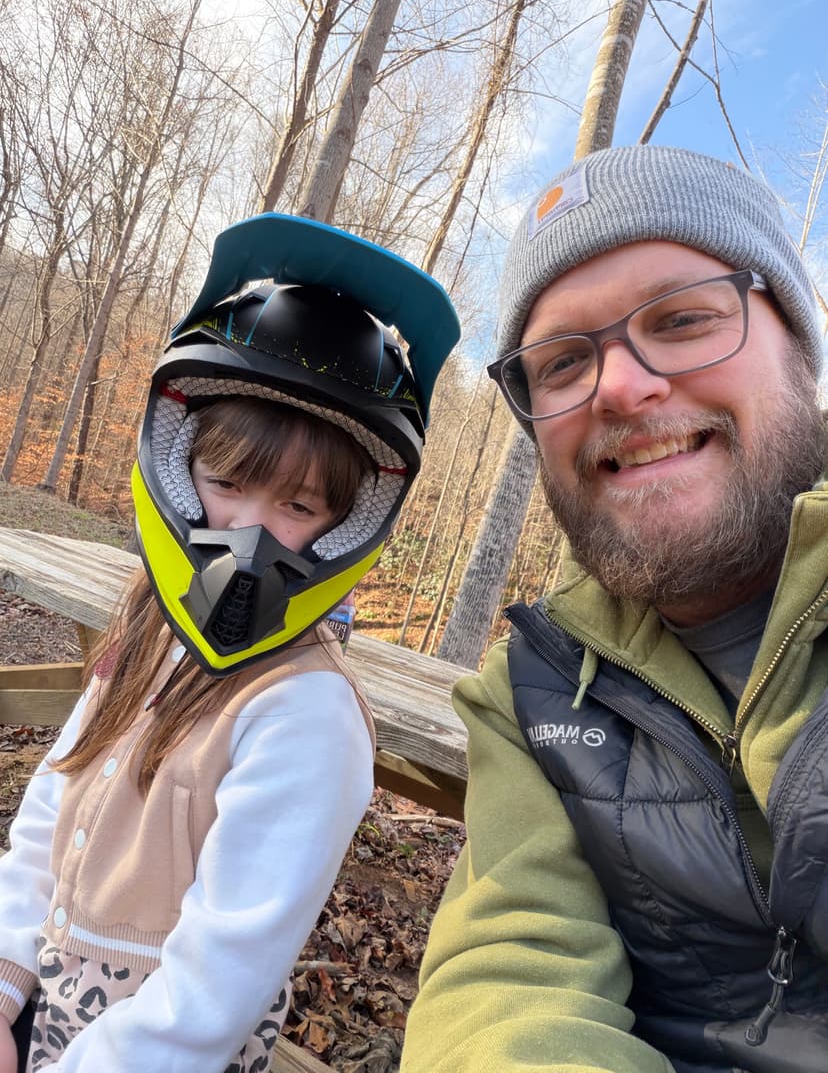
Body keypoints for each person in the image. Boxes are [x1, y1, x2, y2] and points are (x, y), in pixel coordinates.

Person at [400, 146, 828, 1073]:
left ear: (800, 343)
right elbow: (511, 976)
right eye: (561, 363)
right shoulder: (532, 688)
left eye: (682, 319)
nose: (620, 386)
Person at [0, 212, 459, 1073]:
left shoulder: (307, 715)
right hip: (45, 1012)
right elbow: (51, 809)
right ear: (178, 465)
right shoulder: (148, 628)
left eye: (300, 507)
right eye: (228, 483)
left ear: (344, 526)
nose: (251, 534)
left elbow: (211, 992)